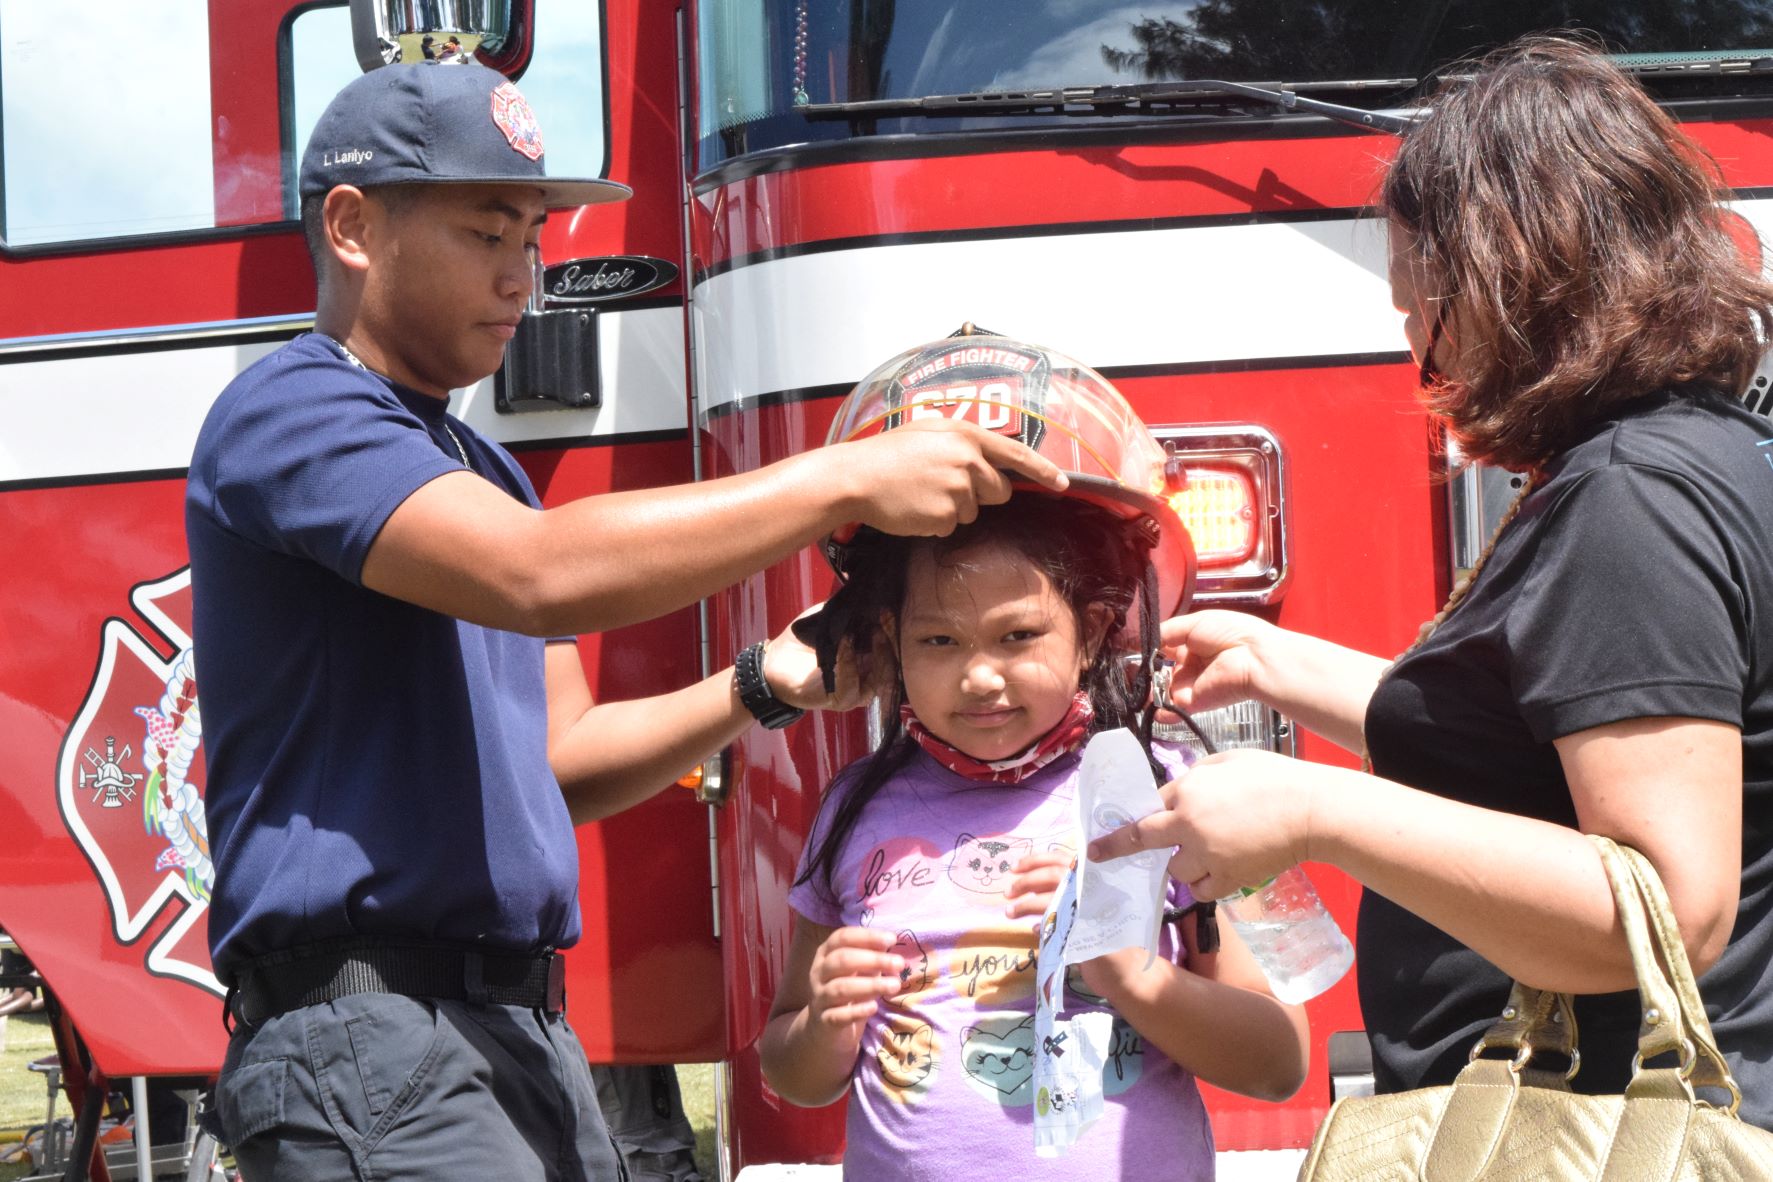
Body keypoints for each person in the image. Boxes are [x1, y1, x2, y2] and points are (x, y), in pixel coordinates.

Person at [186, 62, 1065, 1182]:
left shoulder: (483, 469)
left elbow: (561, 765)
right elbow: (539, 574)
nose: (523, 277)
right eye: (487, 233)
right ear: (353, 226)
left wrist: (766, 682)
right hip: (372, 1038)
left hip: (516, 1038)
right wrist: (845, 477)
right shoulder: (294, 409)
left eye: (534, 238)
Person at [1090, 34, 1773, 1127]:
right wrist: (1275, 661)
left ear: (1511, 274)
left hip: (1604, 1130)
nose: (1420, 348)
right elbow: (1524, 751)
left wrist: (1315, 809)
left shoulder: (1631, 501)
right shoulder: (1698, 449)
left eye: (1424, 306)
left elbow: (1665, 916)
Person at [757, 338, 1308, 1180]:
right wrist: (824, 1021)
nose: (979, 675)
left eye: (1019, 636)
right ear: (889, 646)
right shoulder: (854, 810)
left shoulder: (1177, 796)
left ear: (1091, 631)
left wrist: (1123, 969)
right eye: (937, 640)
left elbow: (1278, 1063)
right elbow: (788, 1073)